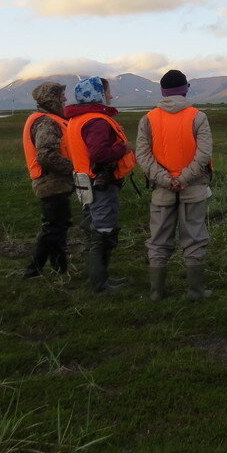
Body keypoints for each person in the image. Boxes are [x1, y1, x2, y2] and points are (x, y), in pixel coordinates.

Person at [136, 69, 214, 302]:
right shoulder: (198, 116)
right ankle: (195, 292)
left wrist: (165, 180)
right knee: (194, 238)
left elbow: (143, 155)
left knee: (158, 240)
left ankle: (156, 293)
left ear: (163, 91)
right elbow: (204, 153)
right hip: (194, 188)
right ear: (185, 89)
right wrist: (183, 179)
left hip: (162, 190)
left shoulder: (148, 119)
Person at [65, 76, 136, 293]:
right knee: (103, 231)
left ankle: (100, 279)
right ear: (97, 94)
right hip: (100, 184)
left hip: (86, 182)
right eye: (107, 92)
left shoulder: (78, 120)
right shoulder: (97, 121)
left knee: (96, 229)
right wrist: (124, 148)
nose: (111, 96)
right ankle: (101, 284)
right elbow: (100, 153)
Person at [21, 82, 74, 277]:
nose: (65, 99)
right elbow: (46, 155)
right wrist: (74, 168)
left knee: (57, 226)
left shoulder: (46, 119)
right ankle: (33, 270)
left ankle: (59, 268)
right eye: (62, 96)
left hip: (52, 183)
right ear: (52, 98)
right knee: (53, 228)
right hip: (51, 183)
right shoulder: (47, 122)